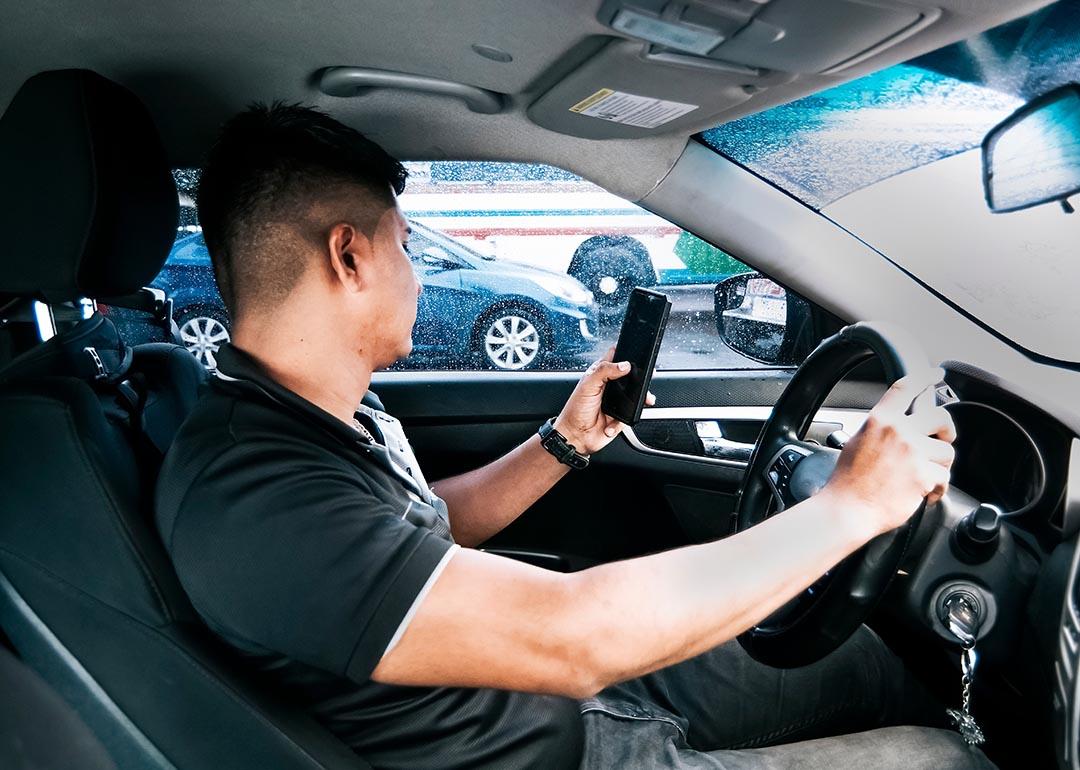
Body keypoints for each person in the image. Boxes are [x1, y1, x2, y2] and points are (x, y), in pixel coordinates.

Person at [155, 103, 990, 769]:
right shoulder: (253, 494)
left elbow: (418, 530)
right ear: (349, 256)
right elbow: (574, 639)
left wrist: (563, 442)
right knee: (940, 760)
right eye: (405, 245)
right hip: (569, 747)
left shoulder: (315, 416)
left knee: (865, 662)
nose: (417, 271)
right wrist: (850, 506)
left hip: (572, 695)